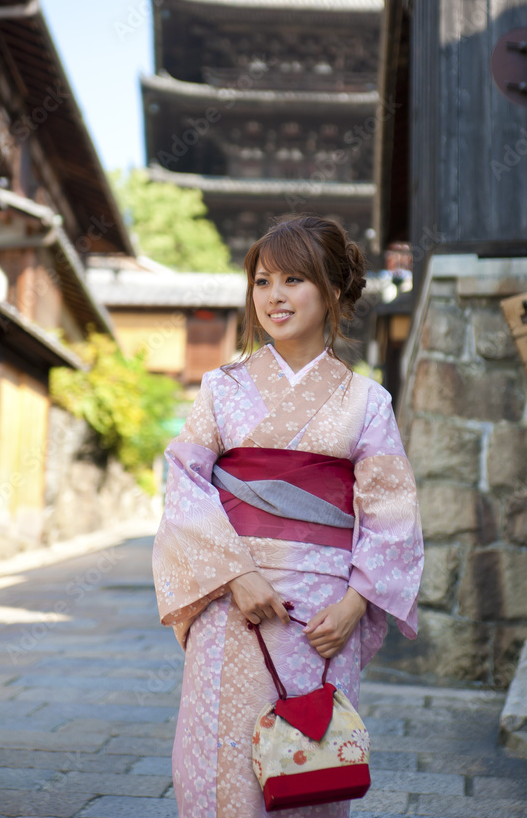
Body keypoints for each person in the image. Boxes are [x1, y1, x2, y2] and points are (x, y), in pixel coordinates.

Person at [152, 214, 424, 818]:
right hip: (231, 600)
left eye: (294, 279)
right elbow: (186, 486)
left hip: (322, 613)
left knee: (310, 770)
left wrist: (357, 602)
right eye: (263, 280)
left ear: (331, 291)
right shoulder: (222, 388)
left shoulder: (366, 400)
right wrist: (235, 575)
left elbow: (391, 510)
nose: (274, 295)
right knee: (218, 771)